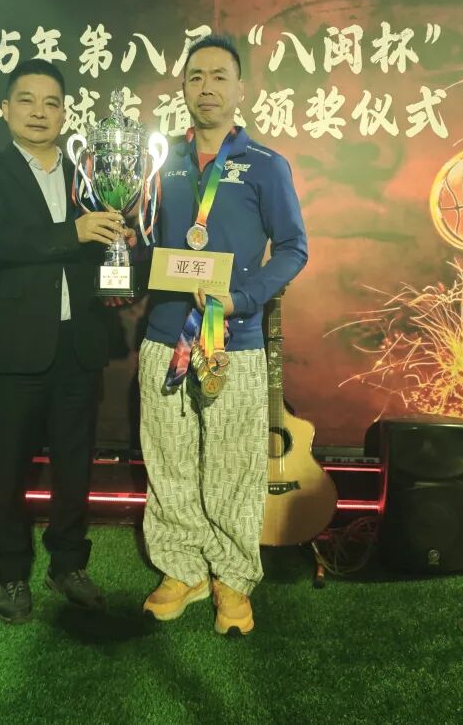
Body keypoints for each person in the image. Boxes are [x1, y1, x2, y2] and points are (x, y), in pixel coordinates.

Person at [138, 35, 308, 635]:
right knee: (169, 458)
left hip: (232, 338)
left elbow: (293, 248)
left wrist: (244, 297)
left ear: (240, 89)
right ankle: (180, 568)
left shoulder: (265, 164)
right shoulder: (161, 161)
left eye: (218, 77)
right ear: (183, 89)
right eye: (195, 77)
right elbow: (146, 238)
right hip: (165, 336)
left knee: (234, 463)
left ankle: (232, 577)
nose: (206, 87)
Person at [0, 58, 128, 624]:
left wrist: (117, 256)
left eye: (51, 102)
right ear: (5, 110)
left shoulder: (89, 175)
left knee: (75, 466)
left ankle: (68, 564)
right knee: (8, 470)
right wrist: (73, 232)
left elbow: (97, 249)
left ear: (64, 113)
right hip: (15, 350)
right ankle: (10, 572)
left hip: (79, 345)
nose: (38, 112)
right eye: (26, 100)